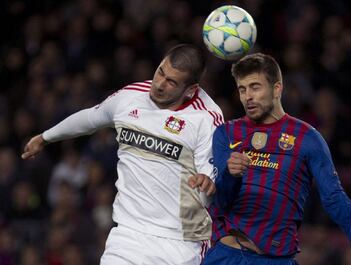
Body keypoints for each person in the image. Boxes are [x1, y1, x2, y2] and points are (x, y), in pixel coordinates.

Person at [22, 44, 224, 265]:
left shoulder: (206, 118)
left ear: (191, 90)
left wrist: (208, 183)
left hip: (180, 242)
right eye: (160, 72)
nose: (159, 84)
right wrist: (45, 137)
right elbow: (91, 118)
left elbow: (211, 176)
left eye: (171, 82)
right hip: (127, 235)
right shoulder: (131, 97)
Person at [203, 53, 351, 265]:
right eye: (242, 89)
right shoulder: (226, 133)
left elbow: (332, 194)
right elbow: (221, 201)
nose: (248, 96)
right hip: (228, 255)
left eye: (255, 87)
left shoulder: (307, 138)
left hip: (277, 259)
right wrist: (231, 174)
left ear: (277, 89)